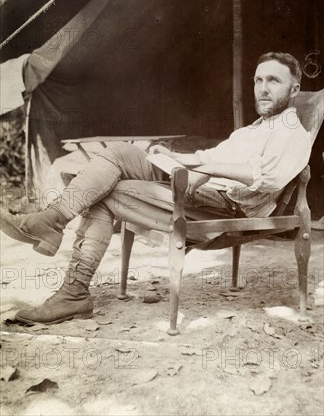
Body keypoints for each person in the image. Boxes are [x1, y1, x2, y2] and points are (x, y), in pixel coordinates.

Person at [1, 52, 311, 324]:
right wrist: (175, 157)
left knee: (109, 194)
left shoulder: (293, 132)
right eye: (258, 80)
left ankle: (73, 291)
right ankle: (52, 221)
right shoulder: (251, 130)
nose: (263, 88)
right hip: (196, 185)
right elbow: (209, 157)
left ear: (294, 89)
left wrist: (205, 169)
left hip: (225, 203)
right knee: (119, 154)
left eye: (274, 81)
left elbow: (269, 178)